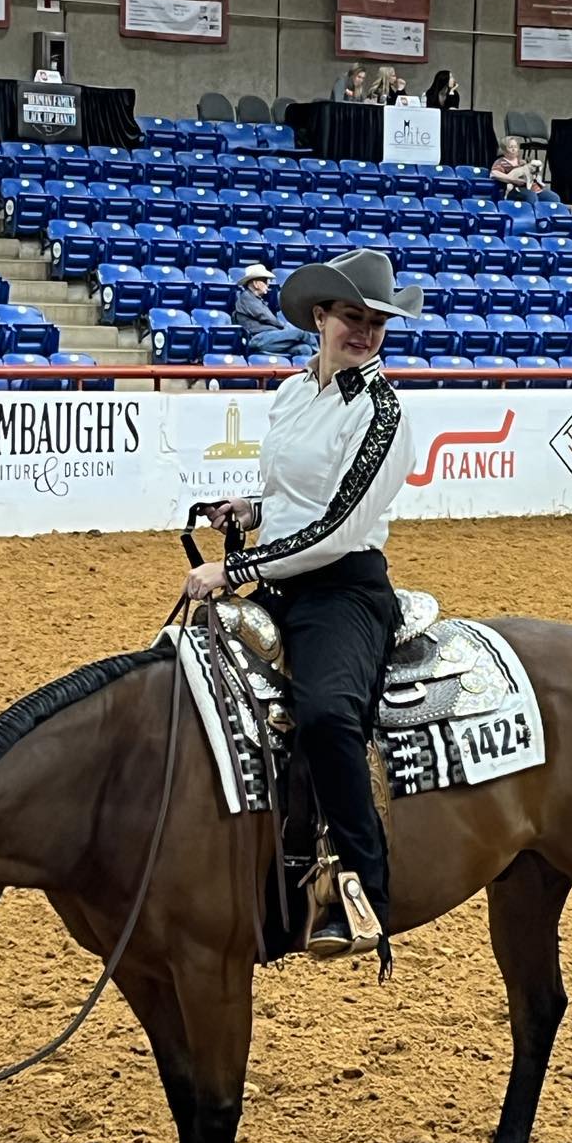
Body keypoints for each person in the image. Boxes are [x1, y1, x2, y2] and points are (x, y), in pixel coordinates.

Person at [185, 249, 422, 967]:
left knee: (326, 716)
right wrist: (251, 510)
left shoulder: (383, 414)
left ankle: (364, 888)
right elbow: (298, 498)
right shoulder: (292, 394)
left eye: (377, 322)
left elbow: (339, 530)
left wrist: (234, 568)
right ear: (320, 317)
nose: (366, 332)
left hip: (343, 590)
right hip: (284, 580)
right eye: (353, 316)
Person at [233, 264, 316, 359]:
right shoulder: (247, 297)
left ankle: (311, 366)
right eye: (265, 281)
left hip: (271, 339)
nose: (268, 283)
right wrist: (285, 328)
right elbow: (266, 317)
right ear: (255, 284)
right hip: (259, 340)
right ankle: (322, 358)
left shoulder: (256, 299)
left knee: (305, 349)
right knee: (302, 332)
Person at [490, 136, 558, 207]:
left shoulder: (522, 162)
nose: (514, 149)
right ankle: (532, 213)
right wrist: (513, 179)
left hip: (532, 187)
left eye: (515, 147)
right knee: (531, 197)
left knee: (553, 198)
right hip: (514, 189)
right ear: (504, 150)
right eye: (510, 147)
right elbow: (494, 174)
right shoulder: (500, 162)